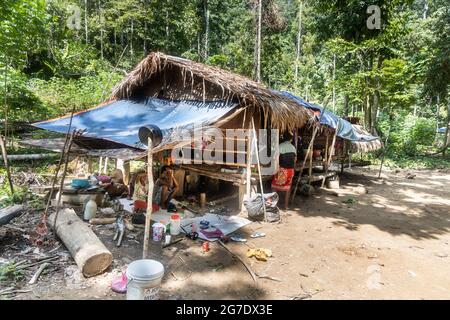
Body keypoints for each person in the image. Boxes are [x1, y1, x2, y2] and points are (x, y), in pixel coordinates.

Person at [271, 133, 297, 209]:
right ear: (291, 139)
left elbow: (275, 158)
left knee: (274, 187)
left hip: (282, 170)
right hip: (290, 170)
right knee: (288, 188)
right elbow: (295, 160)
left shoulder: (280, 146)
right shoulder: (293, 147)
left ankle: (274, 205)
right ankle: (286, 206)